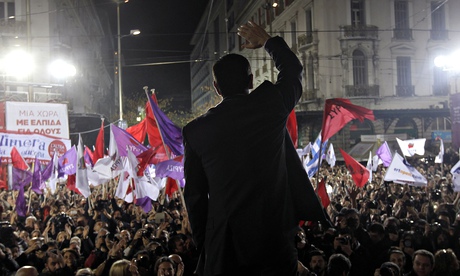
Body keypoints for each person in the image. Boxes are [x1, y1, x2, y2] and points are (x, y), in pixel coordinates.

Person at [183, 20, 322, 276]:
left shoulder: (195, 131)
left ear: (216, 88)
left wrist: (207, 244)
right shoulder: (271, 104)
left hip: (225, 246)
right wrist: (268, 41)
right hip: (274, 242)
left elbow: (195, 196)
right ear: (251, 79)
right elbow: (292, 70)